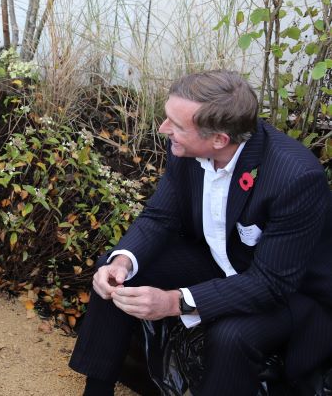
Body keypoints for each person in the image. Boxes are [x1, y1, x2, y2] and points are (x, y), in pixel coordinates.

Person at [69, 70, 332, 395]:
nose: (164, 129)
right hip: (223, 261)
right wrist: (122, 261)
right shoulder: (187, 149)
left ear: (219, 139)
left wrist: (175, 302)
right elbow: (160, 216)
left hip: (290, 295)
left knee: (231, 336)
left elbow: (271, 283)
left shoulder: (295, 178)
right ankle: (97, 388)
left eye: (176, 125)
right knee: (116, 273)